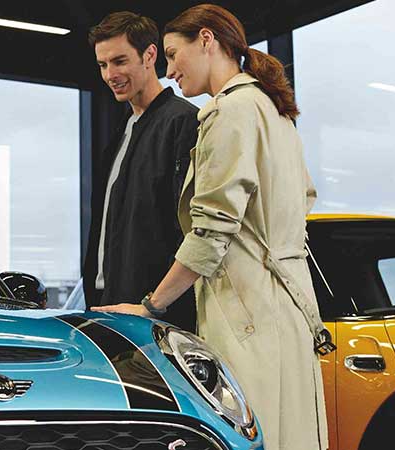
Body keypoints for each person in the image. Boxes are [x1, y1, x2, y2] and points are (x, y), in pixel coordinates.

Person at [93, 5, 329, 450]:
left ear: (206, 40)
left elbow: (211, 230)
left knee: (244, 438)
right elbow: (305, 200)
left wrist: (151, 305)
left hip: (244, 311)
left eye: (171, 54)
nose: (169, 69)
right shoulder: (274, 110)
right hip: (288, 308)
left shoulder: (229, 112)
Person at [83, 11, 199, 331]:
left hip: (158, 316)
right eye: (103, 65)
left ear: (149, 55)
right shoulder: (122, 133)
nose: (110, 74)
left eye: (120, 61)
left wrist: (155, 305)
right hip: (112, 305)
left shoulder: (184, 122)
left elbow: (192, 232)